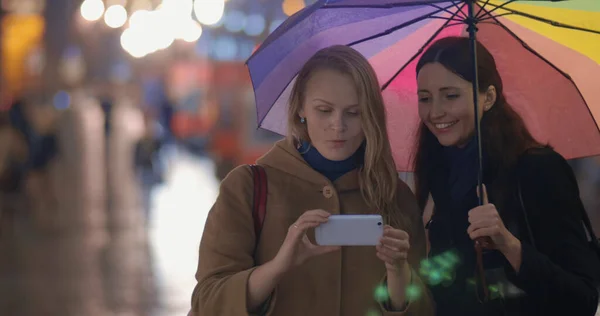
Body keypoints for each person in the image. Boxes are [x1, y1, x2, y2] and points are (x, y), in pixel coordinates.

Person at [190, 45, 433, 315]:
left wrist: (400, 274)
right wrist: (276, 267)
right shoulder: (247, 188)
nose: (338, 126)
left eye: (354, 113)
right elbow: (207, 303)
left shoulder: (395, 195)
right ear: (300, 110)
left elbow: (425, 309)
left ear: (370, 116)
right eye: (324, 110)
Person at [413, 36, 600, 316]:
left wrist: (507, 244)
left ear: (488, 97)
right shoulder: (439, 172)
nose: (435, 111)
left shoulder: (537, 170)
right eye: (425, 98)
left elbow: (582, 298)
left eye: (450, 95)